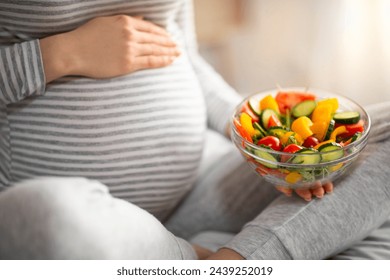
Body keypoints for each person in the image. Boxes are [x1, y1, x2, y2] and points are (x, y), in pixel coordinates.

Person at [0, 0, 389, 259]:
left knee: (380, 134)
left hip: (200, 189)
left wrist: (258, 144)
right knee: (48, 214)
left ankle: (231, 260)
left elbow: (180, 53)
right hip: (91, 212)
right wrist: (59, 54)